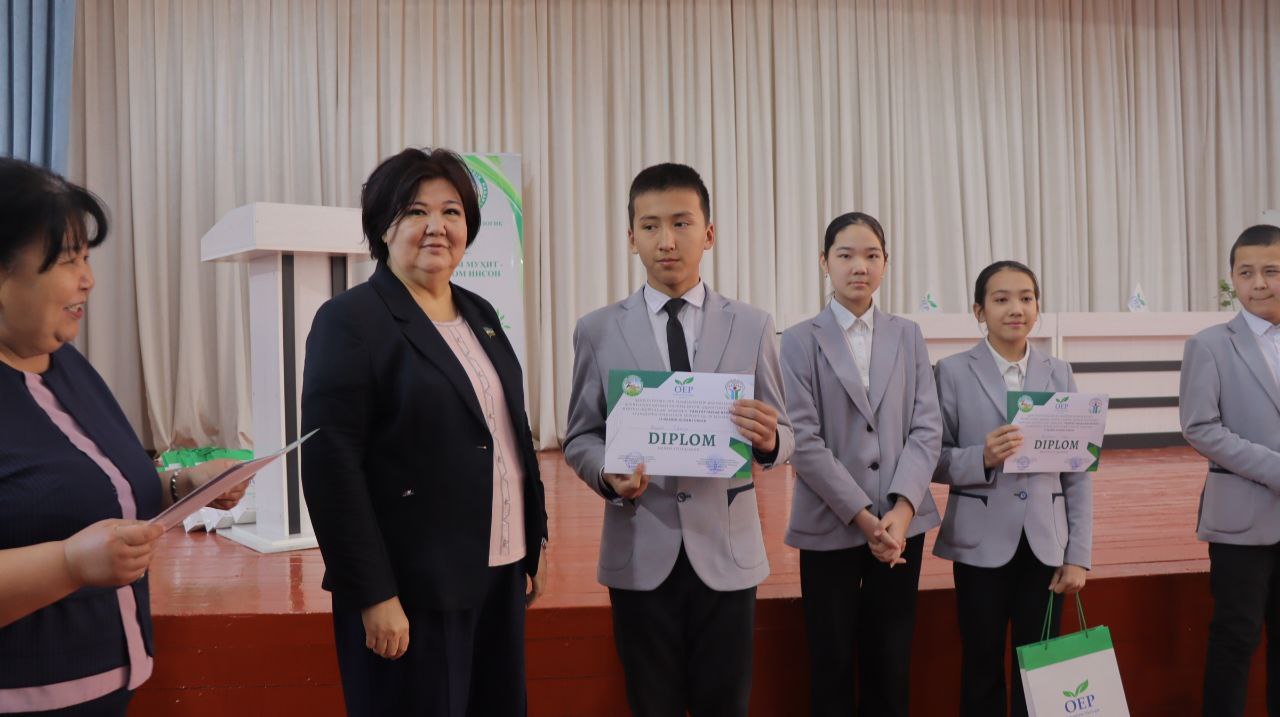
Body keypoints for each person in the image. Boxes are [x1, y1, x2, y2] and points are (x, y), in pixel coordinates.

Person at [300, 147, 548, 717]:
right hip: (412, 588)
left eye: (451, 211)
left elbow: (510, 433)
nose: (437, 226)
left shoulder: (480, 314)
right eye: (415, 211)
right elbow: (331, 464)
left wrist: (532, 540)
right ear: (382, 227)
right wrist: (373, 593)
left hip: (497, 572)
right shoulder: (351, 321)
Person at [0, 157, 245, 715]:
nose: (88, 279)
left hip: (111, 686)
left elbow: (96, 488)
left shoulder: (67, 365)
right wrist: (67, 564)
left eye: (87, 258)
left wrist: (183, 485)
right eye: (68, 261)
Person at [563, 162, 794, 717]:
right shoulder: (597, 329)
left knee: (726, 704)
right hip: (640, 550)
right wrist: (606, 474)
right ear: (631, 238)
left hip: (727, 552)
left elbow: (786, 433)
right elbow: (580, 435)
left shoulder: (752, 324)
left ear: (708, 233)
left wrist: (767, 441)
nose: (666, 240)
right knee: (652, 704)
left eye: (681, 223)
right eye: (650, 226)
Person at [779, 211, 942, 716]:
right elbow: (803, 441)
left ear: (886, 263)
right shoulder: (798, 339)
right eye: (846, 255)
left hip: (901, 526)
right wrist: (865, 519)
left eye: (872, 256)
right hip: (830, 523)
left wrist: (902, 511)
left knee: (891, 662)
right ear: (824, 262)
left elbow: (927, 427)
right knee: (830, 663)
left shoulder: (908, 334)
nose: (859, 267)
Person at [932, 260, 1091, 717]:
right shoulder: (952, 372)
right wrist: (980, 457)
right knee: (980, 666)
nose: (1015, 308)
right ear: (979, 310)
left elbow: (1077, 470)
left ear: (1038, 307)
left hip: (1046, 544)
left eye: (1026, 298)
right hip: (979, 545)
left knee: (1040, 670)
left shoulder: (1060, 372)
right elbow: (933, 458)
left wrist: (1078, 554)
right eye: (1001, 299)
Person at [1182, 224, 1280, 717]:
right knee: (1235, 637)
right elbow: (1200, 427)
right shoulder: (1210, 345)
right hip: (1242, 519)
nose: (1258, 283)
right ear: (1232, 279)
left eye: (1271, 271)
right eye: (1246, 272)